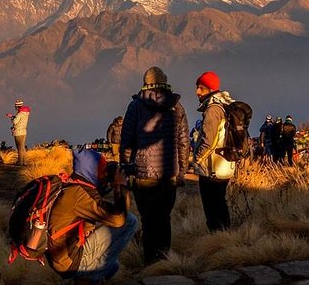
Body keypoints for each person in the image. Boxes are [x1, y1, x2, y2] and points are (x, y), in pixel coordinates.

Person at [119, 66, 189, 265]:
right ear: (165, 81)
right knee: (164, 218)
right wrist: (182, 171)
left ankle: (150, 263)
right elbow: (184, 142)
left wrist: (126, 168)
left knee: (148, 221)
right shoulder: (177, 106)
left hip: (143, 175)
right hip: (169, 175)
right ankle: (165, 261)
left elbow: (126, 142)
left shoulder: (136, 107)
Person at [46, 149, 137, 284]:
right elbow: (118, 219)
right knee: (130, 221)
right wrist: (120, 186)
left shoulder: (73, 185)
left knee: (113, 267)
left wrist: (111, 185)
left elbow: (101, 206)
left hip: (63, 257)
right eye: (101, 169)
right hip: (70, 261)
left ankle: (88, 277)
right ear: (91, 169)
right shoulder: (80, 194)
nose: (104, 174)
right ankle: (87, 278)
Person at [194, 71, 235, 231]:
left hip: (212, 167)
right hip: (225, 165)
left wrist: (197, 159)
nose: (197, 92)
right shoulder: (225, 106)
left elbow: (208, 140)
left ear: (210, 89)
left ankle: (217, 238)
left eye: (201, 88)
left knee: (212, 208)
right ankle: (226, 236)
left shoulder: (213, 110)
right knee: (220, 203)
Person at [5, 99, 31, 166]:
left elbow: (15, 121)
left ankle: (20, 162)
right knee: (22, 148)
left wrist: (11, 117)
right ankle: (24, 162)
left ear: (17, 106)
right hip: (24, 132)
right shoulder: (25, 113)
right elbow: (18, 120)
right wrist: (13, 117)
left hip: (18, 132)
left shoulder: (20, 114)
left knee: (19, 148)